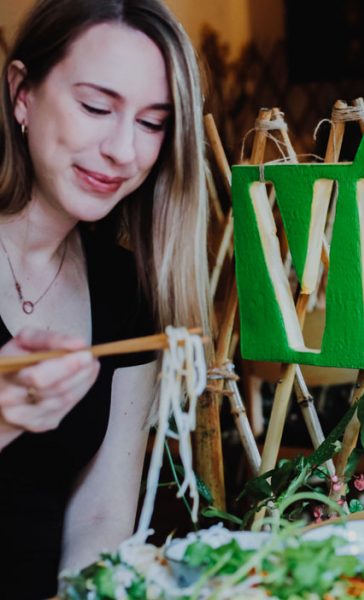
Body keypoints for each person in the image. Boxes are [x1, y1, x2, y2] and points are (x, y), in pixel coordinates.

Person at [0, 1, 209, 597]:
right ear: (22, 93)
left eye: (152, 123)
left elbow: (100, 517)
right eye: (96, 107)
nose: (124, 150)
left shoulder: (126, 290)